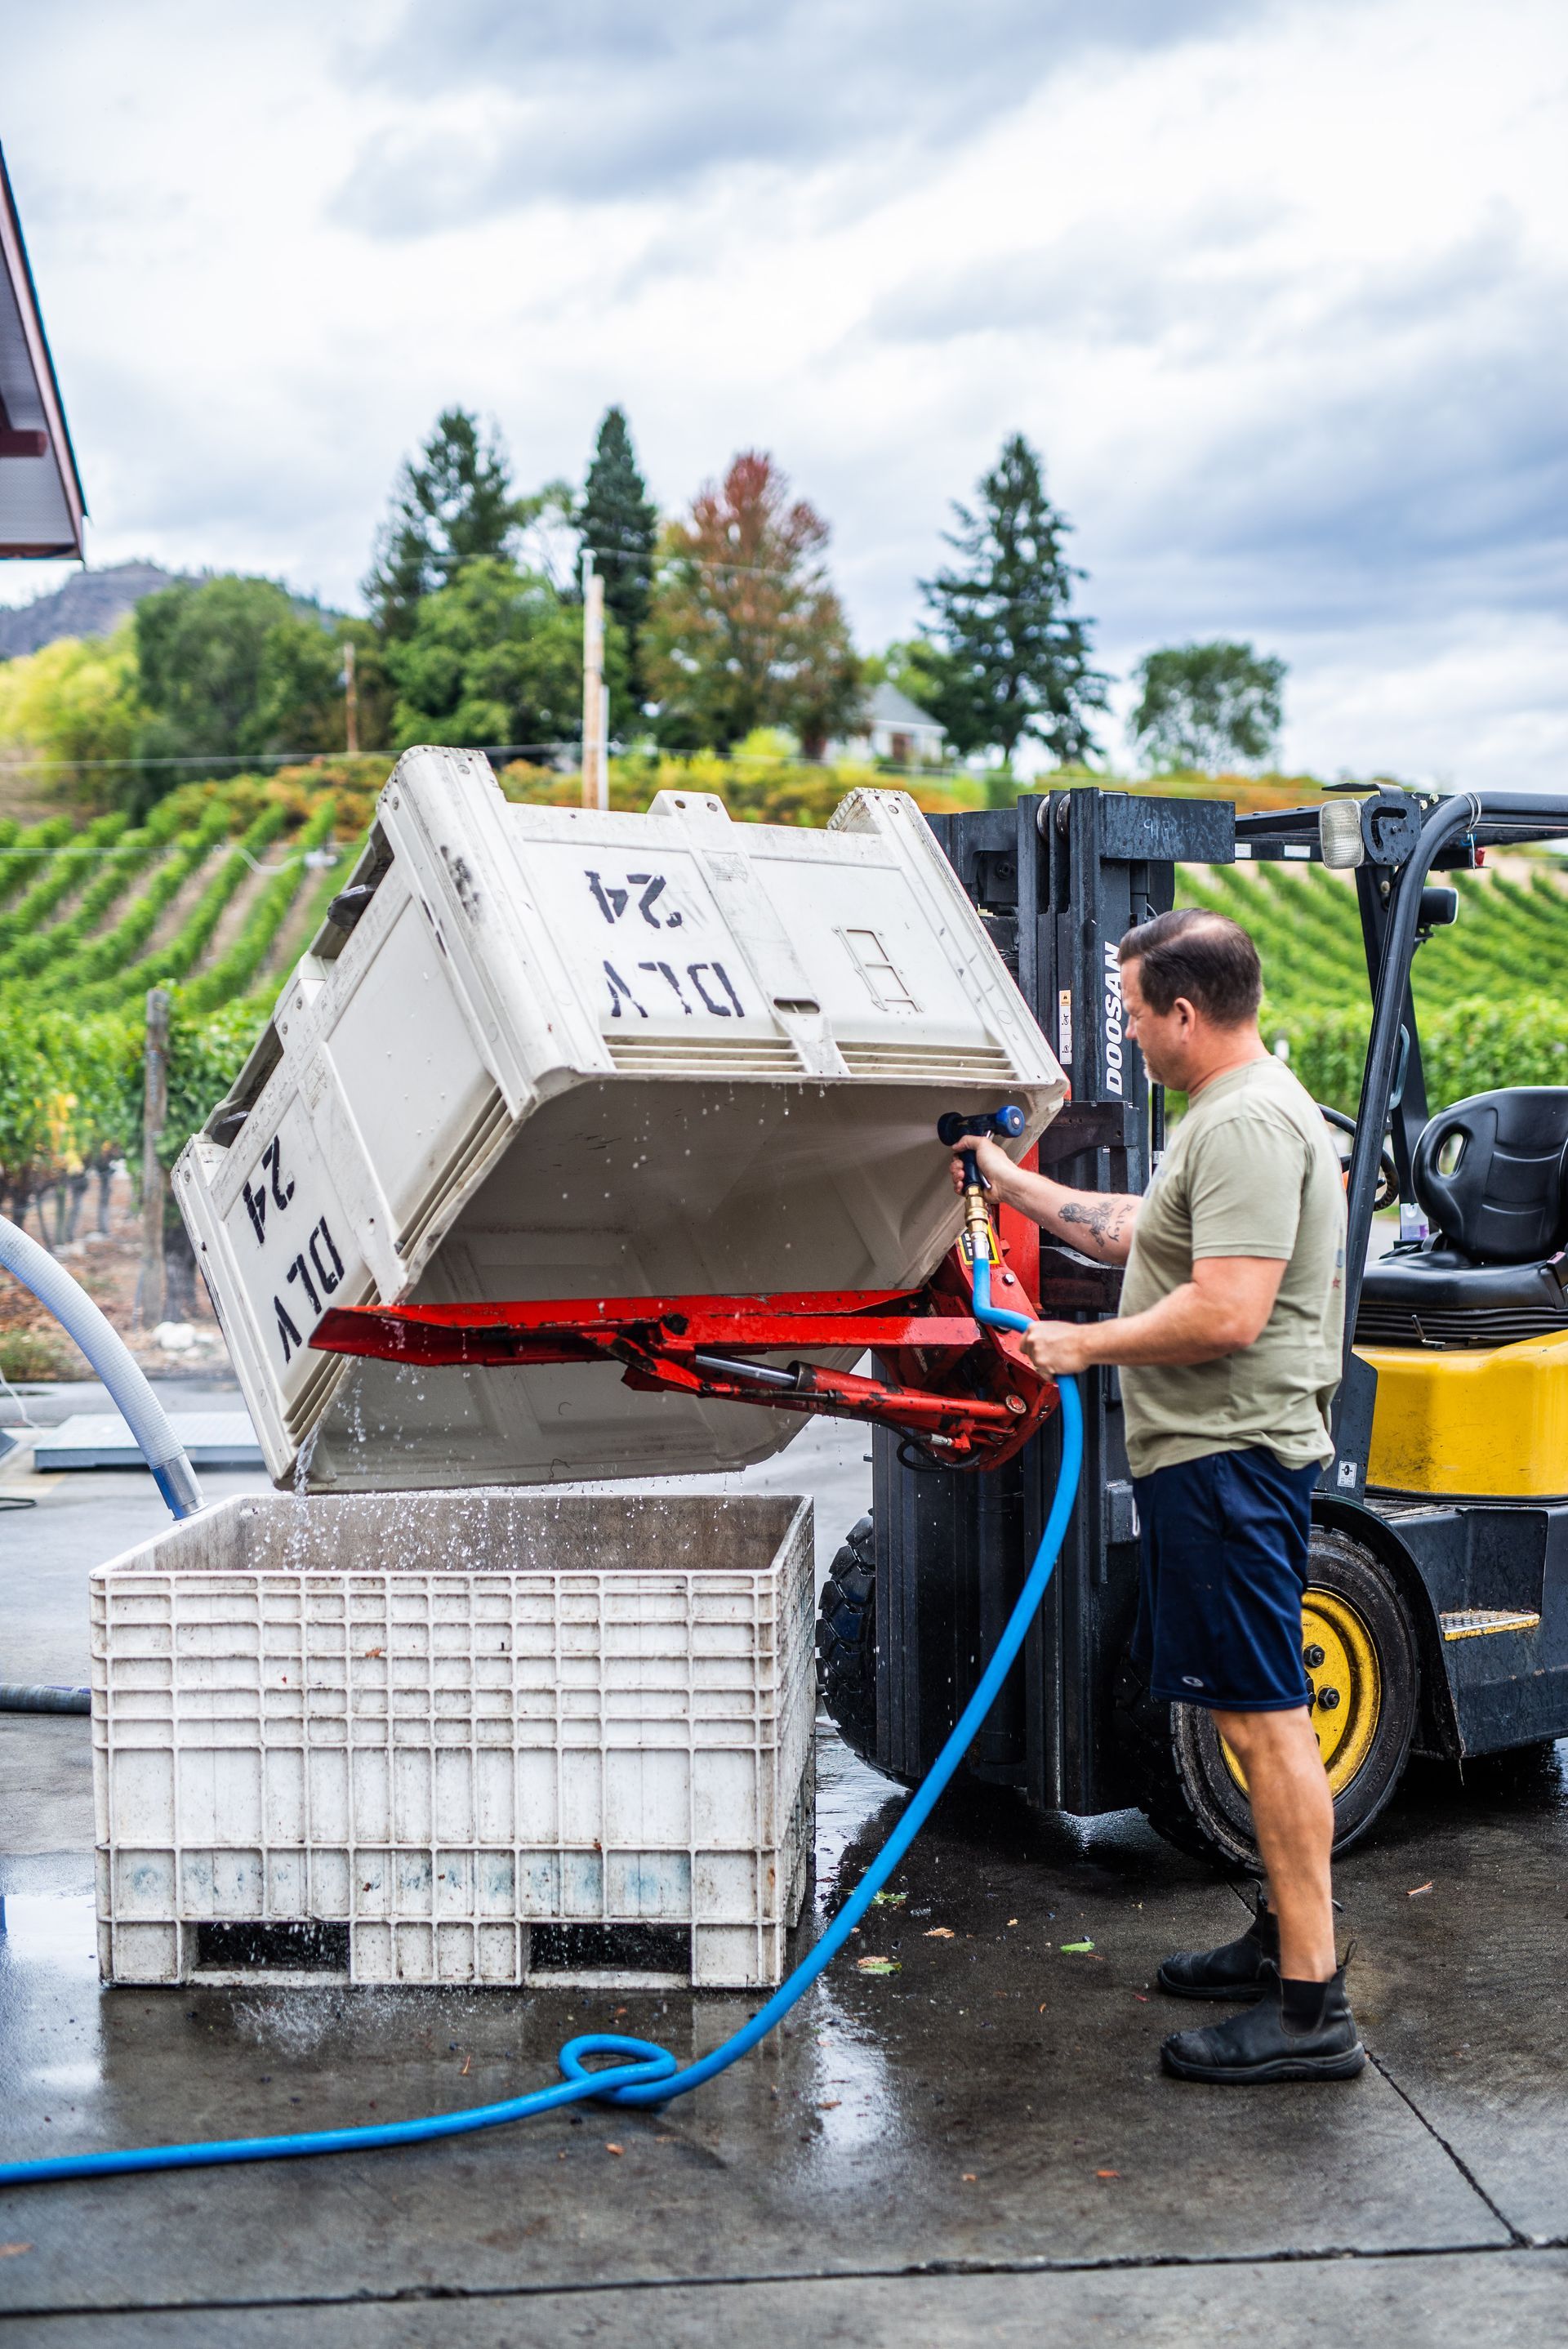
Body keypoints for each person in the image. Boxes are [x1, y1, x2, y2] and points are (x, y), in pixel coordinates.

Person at [952, 907, 1361, 2084]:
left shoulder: (1244, 1125)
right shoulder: (1231, 1114)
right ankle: (1285, 1937)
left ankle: (1310, 2012)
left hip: (1232, 1458)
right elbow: (1148, 1233)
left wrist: (1083, 1350)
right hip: (1217, 1458)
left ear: (1185, 1012)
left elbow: (1227, 1312)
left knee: (1264, 1717)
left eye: (1132, 1011)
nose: (1125, 1032)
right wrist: (1011, 1184)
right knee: (1248, 1709)